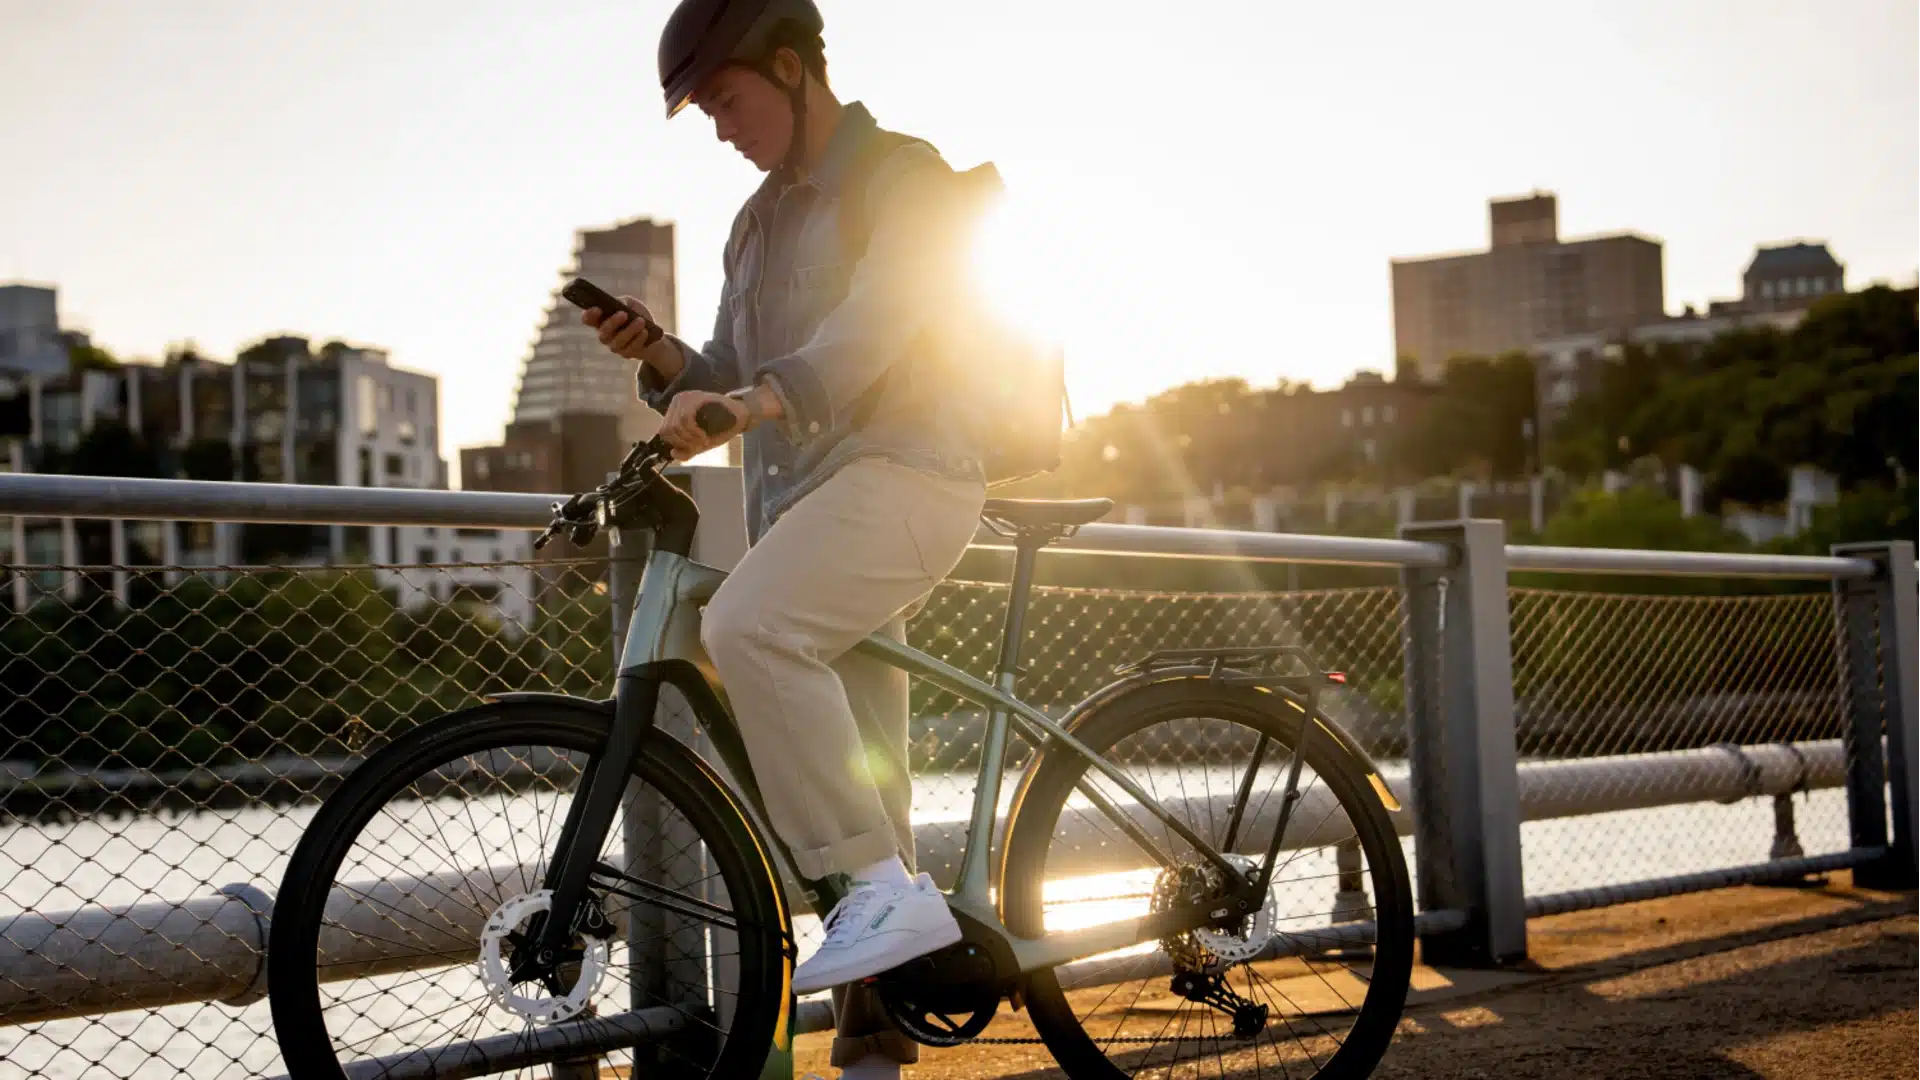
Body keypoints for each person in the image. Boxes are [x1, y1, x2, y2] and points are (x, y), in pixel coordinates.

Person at [582, 0, 988, 1074]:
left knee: (749, 626)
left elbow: (884, 319)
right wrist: (665, 358)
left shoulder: (902, 175)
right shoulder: (754, 225)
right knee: (868, 781)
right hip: (808, 509)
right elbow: (731, 373)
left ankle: (875, 904)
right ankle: (877, 1041)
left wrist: (762, 400)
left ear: (794, 67)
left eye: (727, 98)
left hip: (909, 475)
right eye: (706, 110)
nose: (719, 125)